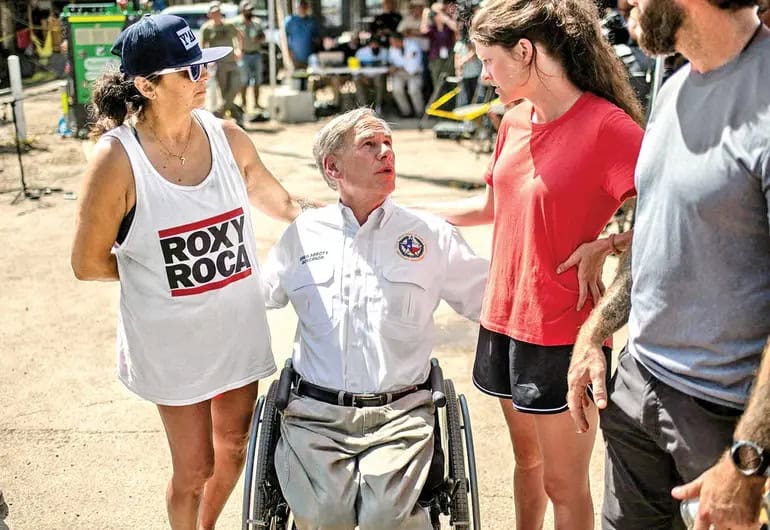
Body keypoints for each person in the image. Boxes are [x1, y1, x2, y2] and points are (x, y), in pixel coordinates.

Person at [70, 14, 304, 530]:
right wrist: (152, 274)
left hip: (236, 327)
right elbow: (86, 263)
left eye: (204, 64)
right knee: (194, 468)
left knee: (235, 446)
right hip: (171, 341)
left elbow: (282, 202)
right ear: (147, 86)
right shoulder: (116, 160)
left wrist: (347, 215)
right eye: (189, 69)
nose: (204, 76)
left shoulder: (228, 136)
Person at [433, 0, 645, 528]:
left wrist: (608, 245)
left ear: (525, 51)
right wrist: (393, 212)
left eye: (488, 60)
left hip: (565, 332)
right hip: (503, 320)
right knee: (526, 463)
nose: (483, 75)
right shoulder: (514, 120)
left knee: (563, 484)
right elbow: (491, 206)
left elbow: (674, 219)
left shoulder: (607, 126)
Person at [566, 0, 770, 528]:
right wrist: (595, 333)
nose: (625, 3)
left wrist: (749, 458)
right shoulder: (674, 87)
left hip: (723, 417)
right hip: (637, 386)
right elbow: (652, 232)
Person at [261, 107, 489, 530]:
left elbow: (489, 300)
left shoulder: (429, 235)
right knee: (324, 517)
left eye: (388, 143)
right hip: (315, 418)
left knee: (385, 518)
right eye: (369, 145)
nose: (386, 152)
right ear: (333, 167)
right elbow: (257, 298)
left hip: (401, 419)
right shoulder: (304, 235)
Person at [201, 2, 244, 126]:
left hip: (232, 62)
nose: (216, 15)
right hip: (219, 65)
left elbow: (240, 35)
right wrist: (208, 60)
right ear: (210, 15)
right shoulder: (207, 28)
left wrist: (239, 50)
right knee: (225, 93)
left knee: (235, 86)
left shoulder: (229, 25)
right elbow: (203, 45)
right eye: (214, 13)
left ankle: (218, 113)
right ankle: (237, 116)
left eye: (218, 12)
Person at [420, 1, 457, 93]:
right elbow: (423, 31)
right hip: (436, 58)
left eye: (441, 11)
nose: (437, 15)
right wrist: (425, 15)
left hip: (449, 58)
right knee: (438, 83)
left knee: (451, 82)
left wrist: (445, 18)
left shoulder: (448, 27)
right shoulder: (432, 28)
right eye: (435, 13)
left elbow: (456, 28)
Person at [235, 0, 265, 111]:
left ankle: (256, 103)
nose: (249, 12)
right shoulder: (237, 23)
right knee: (244, 80)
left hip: (256, 54)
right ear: (242, 10)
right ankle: (244, 104)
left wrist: (259, 38)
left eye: (251, 10)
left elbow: (263, 37)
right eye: (247, 10)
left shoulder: (257, 23)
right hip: (244, 55)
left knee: (258, 80)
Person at [388, 32, 425, 117]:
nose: (392, 44)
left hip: (414, 73)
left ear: (399, 40)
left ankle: (420, 113)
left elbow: (412, 66)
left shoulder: (413, 46)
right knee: (396, 90)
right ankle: (406, 112)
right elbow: (392, 62)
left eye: (393, 42)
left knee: (413, 90)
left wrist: (397, 68)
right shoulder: (392, 48)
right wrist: (392, 67)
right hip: (399, 73)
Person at [353, 39, 388, 111]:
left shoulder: (384, 52)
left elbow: (387, 67)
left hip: (378, 76)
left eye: (377, 45)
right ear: (369, 44)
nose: (375, 46)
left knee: (379, 80)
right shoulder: (361, 52)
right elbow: (355, 68)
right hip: (364, 76)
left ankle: (378, 106)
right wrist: (362, 77)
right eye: (373, 44)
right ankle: (364, 108)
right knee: (357, 80)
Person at [284, 0, 320, 69]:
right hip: (294, 58)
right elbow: (284, 38)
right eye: (300, 7)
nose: (302, 9)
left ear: (307, 8)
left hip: (309, 59)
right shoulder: (290, 21)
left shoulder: (312, 22)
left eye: (304, 7)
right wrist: (288, 51)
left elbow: (317, 40)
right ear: (297, 8)